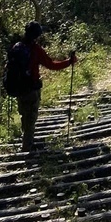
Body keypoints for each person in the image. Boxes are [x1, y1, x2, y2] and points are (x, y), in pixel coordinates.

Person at [16, 21, 78, 151]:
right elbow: (51, 65)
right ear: (37, 35)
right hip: (31, 88)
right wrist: (69, 62)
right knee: (31, 117)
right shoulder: (36, 50)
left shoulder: (17, 46)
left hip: (19, 87)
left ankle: (26, 139)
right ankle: (27, 147)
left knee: (24, 115)